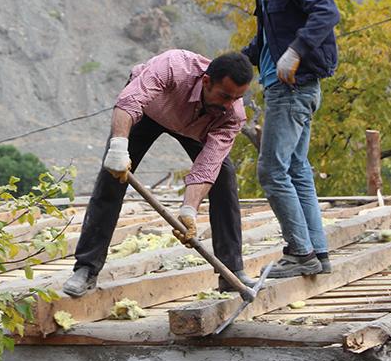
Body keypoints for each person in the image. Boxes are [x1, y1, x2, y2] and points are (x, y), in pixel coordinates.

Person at [63, 49, 256, 297]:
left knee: (224, 179)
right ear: (206, 81)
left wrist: (189, 211)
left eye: (236, 98)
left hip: (195, 127)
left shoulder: (230, 114)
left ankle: (231, 271)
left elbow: (208, 165)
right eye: (225, 96)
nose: (229, 104)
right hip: (148, 112)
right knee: (111, 179)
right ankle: (86, 269)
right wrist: (119, 147)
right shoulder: (174, 66)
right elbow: (130, 102)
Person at [233, 0, 340, 278]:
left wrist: (295, 53)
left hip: (293, 88)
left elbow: (327, 11)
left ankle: (300, 253)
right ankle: (317, 252)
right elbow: (265, 38)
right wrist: (236, 60)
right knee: (296, 169)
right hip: (283, 88)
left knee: (272, 170)